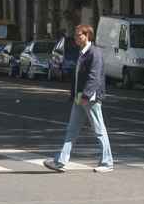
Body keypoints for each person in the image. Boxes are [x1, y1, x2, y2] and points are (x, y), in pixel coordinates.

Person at [43, 24, 113, 173]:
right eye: (75, 35)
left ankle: (107, 163)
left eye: (78, 35)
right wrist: (74, 95)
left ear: (87, 36)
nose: (75, 38)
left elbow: (94, 77)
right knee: (72, 130)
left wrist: (86, 96)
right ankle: (60, 161)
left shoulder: (95, 53)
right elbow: (78, 77)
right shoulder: (81, 52)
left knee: (99, 130)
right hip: (80, 97)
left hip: (90, 98)